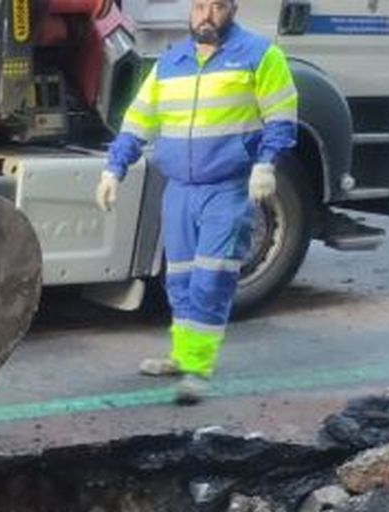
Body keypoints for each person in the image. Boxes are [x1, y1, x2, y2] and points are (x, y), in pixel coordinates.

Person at [94, 0, 297, 404]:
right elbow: (138, 121)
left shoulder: (260, 56)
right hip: (180, 190)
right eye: (199, 6)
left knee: (212, 278)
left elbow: (281, 117)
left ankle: (198, 369)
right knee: (181, 280)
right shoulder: (172, 62)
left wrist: (266, 164)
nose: (206, 15)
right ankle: (182, 355)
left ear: (232, 10)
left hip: (227, 187)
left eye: (217, 6)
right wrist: (113, 168)